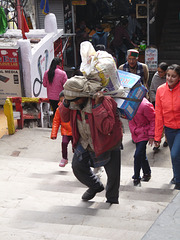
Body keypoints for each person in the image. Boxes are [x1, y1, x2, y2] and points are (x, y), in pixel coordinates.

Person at [59, 76, 123, 204]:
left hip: (108, 142)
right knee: (77, 166)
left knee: (113, 175)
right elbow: (64, 118)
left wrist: (98, 106)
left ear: (84, 95)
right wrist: (65, 103)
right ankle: (95, 186)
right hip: (85, 141)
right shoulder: (72, 103)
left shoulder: (104, 101)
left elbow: (107, 128)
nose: (74, 103)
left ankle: (112, 200)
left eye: (75, 100)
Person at [154, 64, 180, 190]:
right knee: (174, 155)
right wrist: (157, 136)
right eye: (168, 75)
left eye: (173, 76)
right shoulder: (160, 90)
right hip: (169, 129)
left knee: (175, 154)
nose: (169, 78)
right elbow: (158, 114)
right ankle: (176, 176)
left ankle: (178, 181)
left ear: (179, 77)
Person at [129, 97, 155, 186]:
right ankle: (147, 173)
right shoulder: (128, 103)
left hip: (144, 133)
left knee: (137, 155)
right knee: (141, 154)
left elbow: (153, 119)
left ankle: (136, 177)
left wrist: (152, 135)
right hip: (135, 133)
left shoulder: (145, 105)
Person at [51, 91, 73, 167]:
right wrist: (54, 134)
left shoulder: (74, 108)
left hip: (74, 131)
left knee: (76, 147)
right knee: (64, 143)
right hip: (66, 131)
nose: (63, 103)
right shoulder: (59, 109)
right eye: (61, 101)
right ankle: (64, 158)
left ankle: (77, 160)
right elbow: (56, 121)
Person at [149, 62, 169, 150]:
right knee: (158, 122)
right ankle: (157, 142)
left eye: (161, 72)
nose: (159, 73)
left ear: (165, 72)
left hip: (168, 104)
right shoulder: (156, 77)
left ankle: (167, 139)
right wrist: (156, 101)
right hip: (157, 103)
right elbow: (152, 90)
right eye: (158, 71)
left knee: (167, 123)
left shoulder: (169, 77)